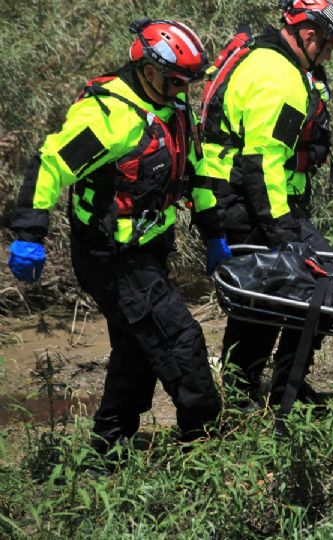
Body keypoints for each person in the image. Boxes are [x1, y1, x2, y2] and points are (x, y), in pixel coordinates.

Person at [5, 19, 230, 454]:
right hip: (111, 256)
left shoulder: (174, 106)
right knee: (180, 341)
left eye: (187, 82)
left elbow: (197, 174)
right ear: (147, 69)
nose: (182, 89)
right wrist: (29, 232)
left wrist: (214, 233)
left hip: (147, 250)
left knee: (137, 346)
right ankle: (204, 447)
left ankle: (107, 448)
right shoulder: (108, 115)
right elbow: (50, 164)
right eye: (174, 80)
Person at [196, 0, 333, 406]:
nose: (329, 56)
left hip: (251, 198)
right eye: (328, 48)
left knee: (313, 283)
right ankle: (242, 397)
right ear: (309, 36)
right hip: (245, 203)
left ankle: (286, 383)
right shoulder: (279, 77)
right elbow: (261, 163)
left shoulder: (266, 59)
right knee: (265, 302)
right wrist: (283, 232)